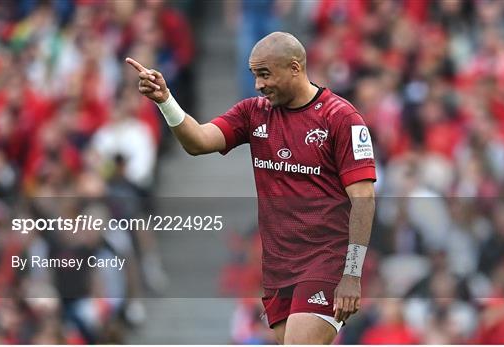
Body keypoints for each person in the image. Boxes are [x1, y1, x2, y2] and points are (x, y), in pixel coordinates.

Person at [126, 32, 376, 344]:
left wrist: (352, 274)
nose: (258, 84)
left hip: (327, 261)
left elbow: (364, 198)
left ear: (295, 68)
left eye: (265, 74)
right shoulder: (254, 112)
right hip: (279, 267)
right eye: (255, 75)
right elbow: (199, 142)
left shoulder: (341, 118)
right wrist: (165, 100)